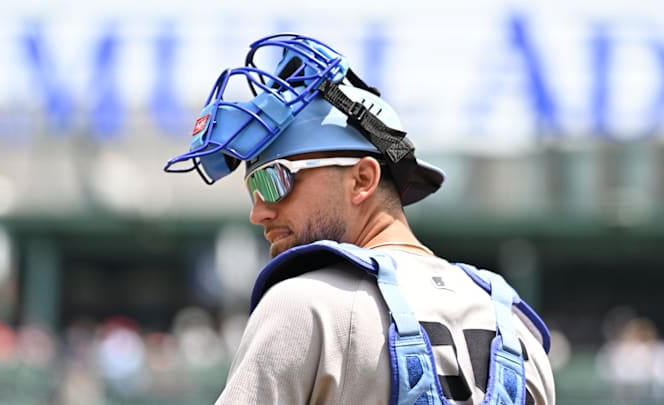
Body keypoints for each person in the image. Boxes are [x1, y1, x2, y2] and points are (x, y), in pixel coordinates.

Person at [164, 33, 556, 405]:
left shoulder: (305, 303)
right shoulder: (517, 325)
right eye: (253, 188)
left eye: (274, 179)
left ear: (363, 178)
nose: (259, 211)